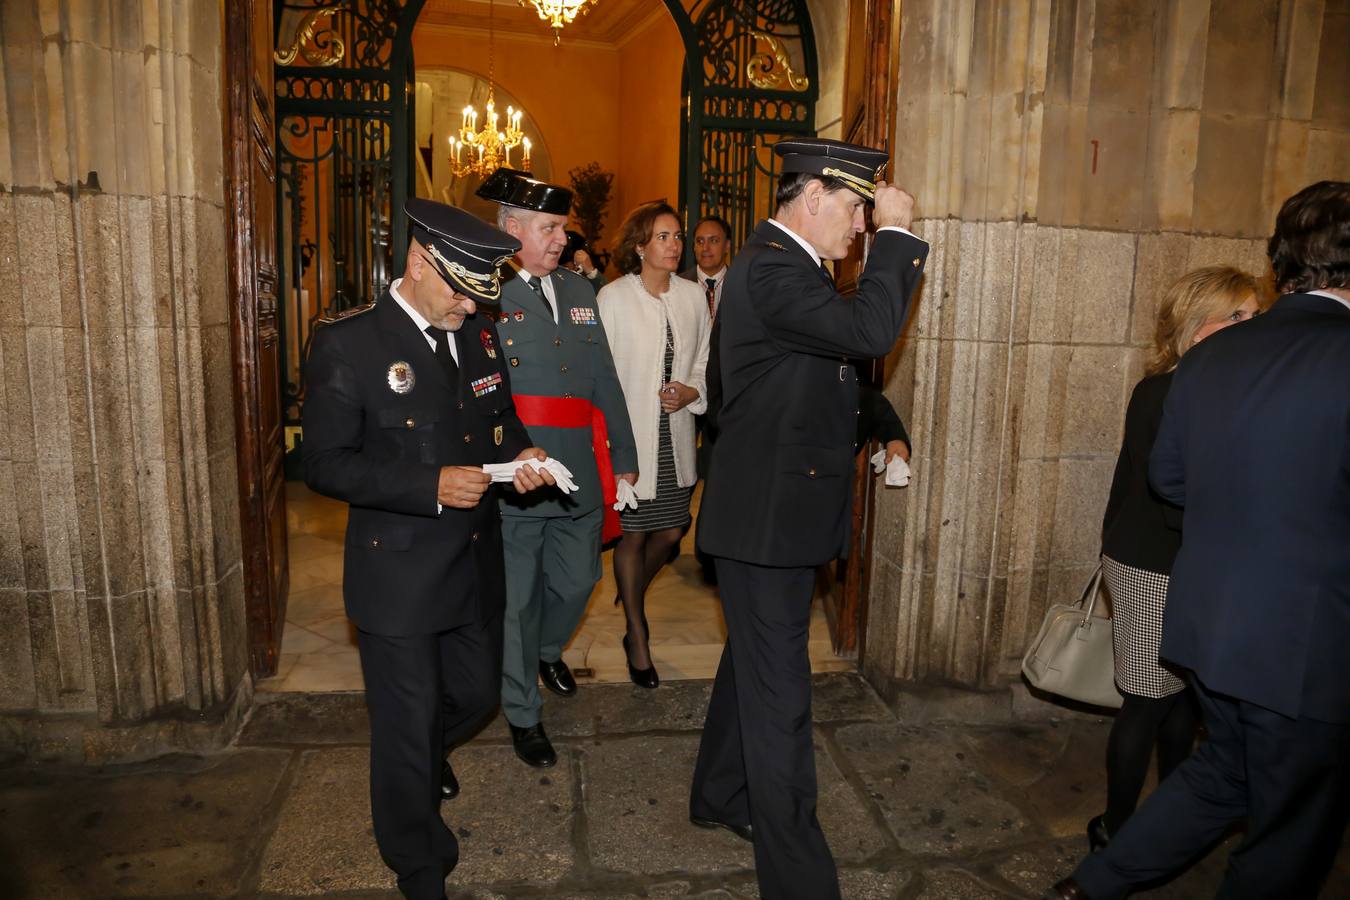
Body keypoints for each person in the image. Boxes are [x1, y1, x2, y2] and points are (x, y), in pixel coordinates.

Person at [1047, 181, 1350, 900]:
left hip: (1211, 624)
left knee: (1223, 777)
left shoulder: (1214, 356)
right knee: (1292, 831)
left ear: (1283, 265)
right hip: (1307, 648)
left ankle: (1091, 886)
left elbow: (1173, 479)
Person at [690, 137, 926, 900]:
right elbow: (868, 335)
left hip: (778, 515)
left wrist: (878, 426)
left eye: (869, 215)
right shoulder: (772, 266)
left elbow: (817, 382)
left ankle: (719, 793)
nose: (862, 225)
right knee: (780, 701)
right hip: (764, 524)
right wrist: (899, 235)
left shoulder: (793, 270)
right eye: (858, 207)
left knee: (754, 666)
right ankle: (800, 883)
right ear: (815, 196)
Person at [302, 199, 557, 900]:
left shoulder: (474, 335)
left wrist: (522, 453)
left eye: (481, 295)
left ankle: (410, 759)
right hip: (400, 574)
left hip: (474, 564)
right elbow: (322, 463)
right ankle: (419, 862)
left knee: (476, 696)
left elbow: (497, 417)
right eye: (458, 291)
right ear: (417, 264)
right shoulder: (349, 344)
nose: (470, 310)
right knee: (408, 724)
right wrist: (429, 483)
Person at [1086, 266, 1260, 855]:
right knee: (1145, 701)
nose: (1252, 327)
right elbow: (1169, 494)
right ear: (1198, 326)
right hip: (1150, 564)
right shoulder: (1161, 391)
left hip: (1201, 563)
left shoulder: (1234, 390)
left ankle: (1167, 817)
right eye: (1239, 317)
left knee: (1184, 698)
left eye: (1254, 316)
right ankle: (1116, 828)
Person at [474, 168, 638, 768]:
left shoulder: (578, 291)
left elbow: (605, 381)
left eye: (563, 229)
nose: (561, 239)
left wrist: (623, 458)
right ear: (512, 229)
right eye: (548, 228)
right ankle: (522, 712)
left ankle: (547, 650)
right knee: (517, 597)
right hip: (518, 469)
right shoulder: (485, 294)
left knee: (578, 582)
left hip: (578, 465)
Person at [597, 201, 711, 689]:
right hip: (631, 436)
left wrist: (691, 392)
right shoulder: (614, 298)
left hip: (676, 433)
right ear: (640, 245)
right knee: (634, 535)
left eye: (677, 236)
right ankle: (637, 634)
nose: (675, 245)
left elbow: (704, 361)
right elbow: (600, 375)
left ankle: (632, 591)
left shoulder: (691, 297)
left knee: (671, 532)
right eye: (663, 236)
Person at [679, 214, 731, 317]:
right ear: (694, 246)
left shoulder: (743, 286)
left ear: (727, 246)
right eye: (700, 241)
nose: (705, 248)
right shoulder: (677, 286)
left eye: (714, 241)